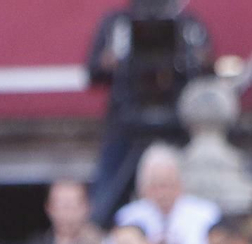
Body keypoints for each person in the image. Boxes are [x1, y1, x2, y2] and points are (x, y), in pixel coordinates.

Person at [86, 0, 213, 222]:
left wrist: (190, 59)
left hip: (176, 124)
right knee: (106, 196)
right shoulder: (117, 23)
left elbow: (207, 66)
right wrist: (111, 62)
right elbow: (93, 70)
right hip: (125, 125)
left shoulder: (186, 23)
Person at [114, 143, 220, 244]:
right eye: (155, 186)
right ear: (143, 189)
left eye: (167, 185)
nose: (162, 193)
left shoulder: (206, 214)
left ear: (181, 184)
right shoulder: (129, 217)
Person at [44, 178, 104, 244]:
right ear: (49, 208)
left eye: (72, 205)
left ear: (87, 207)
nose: (67, 212)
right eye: (61, 205)